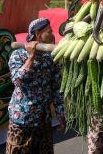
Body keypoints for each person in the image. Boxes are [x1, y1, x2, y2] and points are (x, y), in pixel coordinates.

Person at [6, 18, 65, 154]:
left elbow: (56, 88)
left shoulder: (51, 57)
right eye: (49, 32)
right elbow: (17, 81)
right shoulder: (18, 55)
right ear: (38, 34)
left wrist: (61, 113)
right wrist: (31, 56)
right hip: (22, 119)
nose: (52, 35)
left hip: (43, 120)